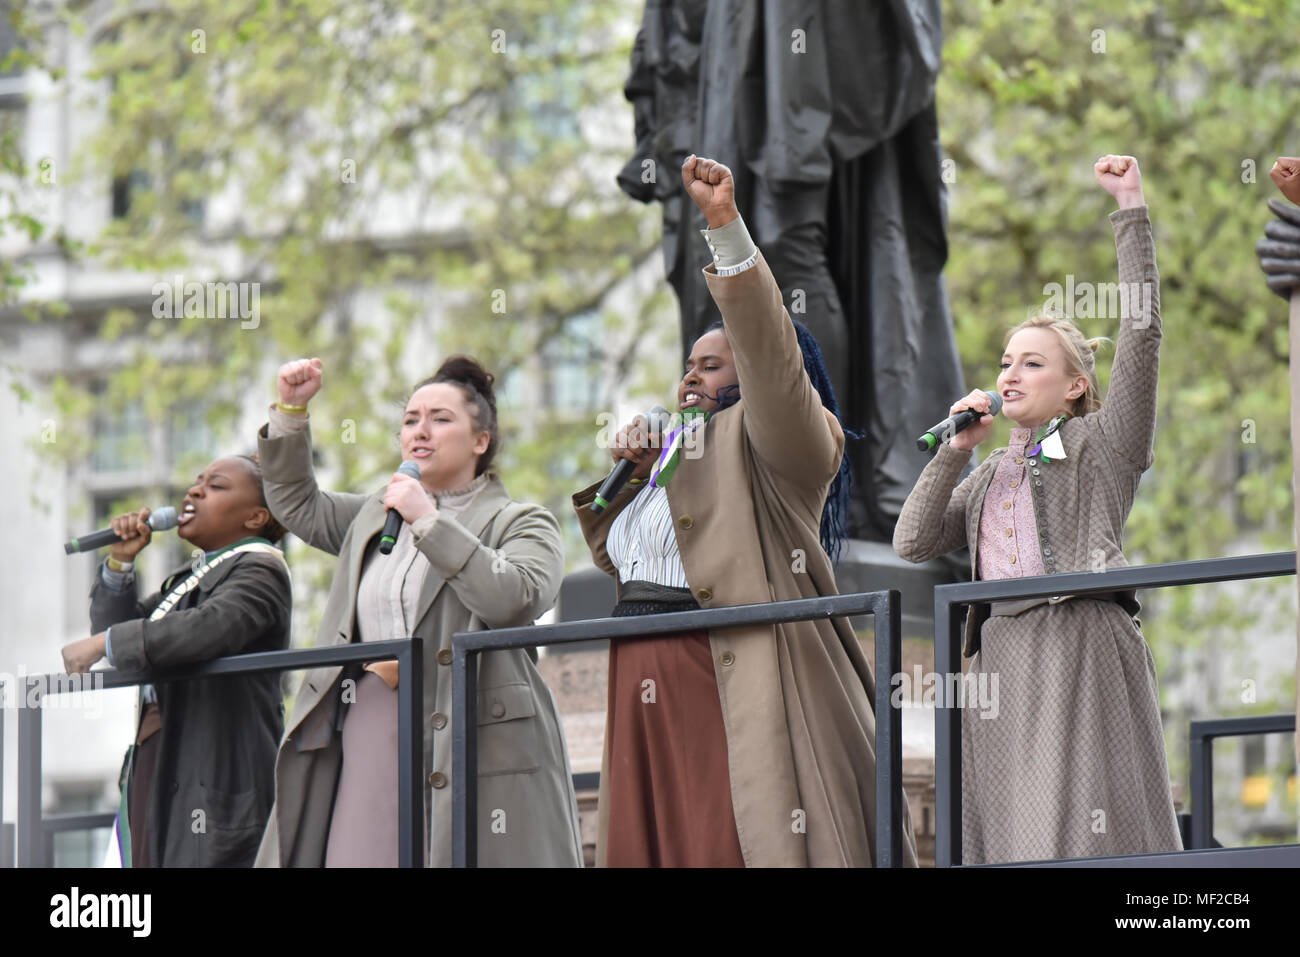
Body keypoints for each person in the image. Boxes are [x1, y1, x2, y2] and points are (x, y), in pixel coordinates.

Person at [574, 154, 919, 867]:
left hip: (718, 663)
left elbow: (770, 353)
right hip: (636, 666)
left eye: (712, 364)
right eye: (688, 365)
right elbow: (622, 559)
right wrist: (632, 478)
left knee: (722, 833)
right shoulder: (672, 456)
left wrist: (725, 230)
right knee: (653, 841)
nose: (690, 375)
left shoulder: (782, 443)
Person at [894, 155, 1182, 863]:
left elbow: (1141, 338)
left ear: (1077, 385)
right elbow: (912, 541)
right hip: (1002, 663)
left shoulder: (1102, 444)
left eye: (1031, 362)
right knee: (1017, 837)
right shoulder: (989, 472)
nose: (1009, 373)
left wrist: (1130, 209)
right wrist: (955, 450)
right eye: (1004, 361)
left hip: (1079, 645)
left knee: (1086, 829)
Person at [253, 355, 582, 867]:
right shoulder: (372, 517)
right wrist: (291, 412)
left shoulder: (521, 521)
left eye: (440, 419)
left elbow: (514, 598)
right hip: (370, 719)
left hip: (474, 732)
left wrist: (429, 521)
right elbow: (296, 502)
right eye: (410, 420)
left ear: (481, 441)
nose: (419, 431)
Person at [62, 455, 292, 867]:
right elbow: (131, 642)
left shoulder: (261, 570)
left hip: (214, 779)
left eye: (216, 486)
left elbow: (207, 629)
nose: (194, 491)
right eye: (196, 482)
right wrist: (121, 563)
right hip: (164, 763)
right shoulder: (193, 577)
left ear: (256, 517)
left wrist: (104, 642)